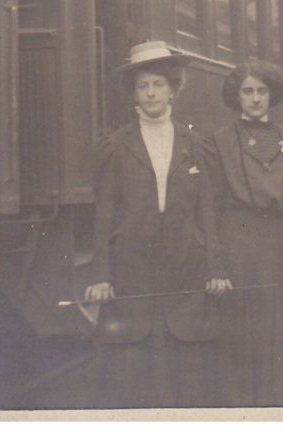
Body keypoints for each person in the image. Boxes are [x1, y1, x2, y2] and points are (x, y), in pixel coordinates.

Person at [84, 41, 231, 408]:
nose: (151, 93)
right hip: (132, 269)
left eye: (158, 84)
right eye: (143, 86)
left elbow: (207, 212)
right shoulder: (116, 146)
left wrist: (215, 268)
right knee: (134, 372)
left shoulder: (196, 144)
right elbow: (104, 214)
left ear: (173, 89)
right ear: (133, 93)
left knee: (186, 371)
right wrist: (101, 274)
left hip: (185, 268)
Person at [206, 60, 283, 406]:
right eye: (248, 91)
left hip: (279, 244)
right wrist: (217, 264)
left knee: (282, 328)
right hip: (238, 242)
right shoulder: (219, 140)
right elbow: (210, 207)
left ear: (272, 95)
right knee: (243, 329)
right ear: (237, 96)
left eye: (262, 91)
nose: (255, 99)